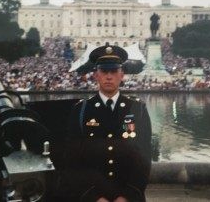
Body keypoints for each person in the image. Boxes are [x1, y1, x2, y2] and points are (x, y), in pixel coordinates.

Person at [53, 45, 152, 202]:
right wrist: (93, 196)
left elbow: (145, 155)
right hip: (92, 195)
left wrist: (127, 195)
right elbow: (72, 159)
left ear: (122, 75)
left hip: (129, 195)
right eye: (104, 71)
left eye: (113, 71)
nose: (109, 76)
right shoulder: (81, 110)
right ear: (96, 75)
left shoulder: (138, 109)